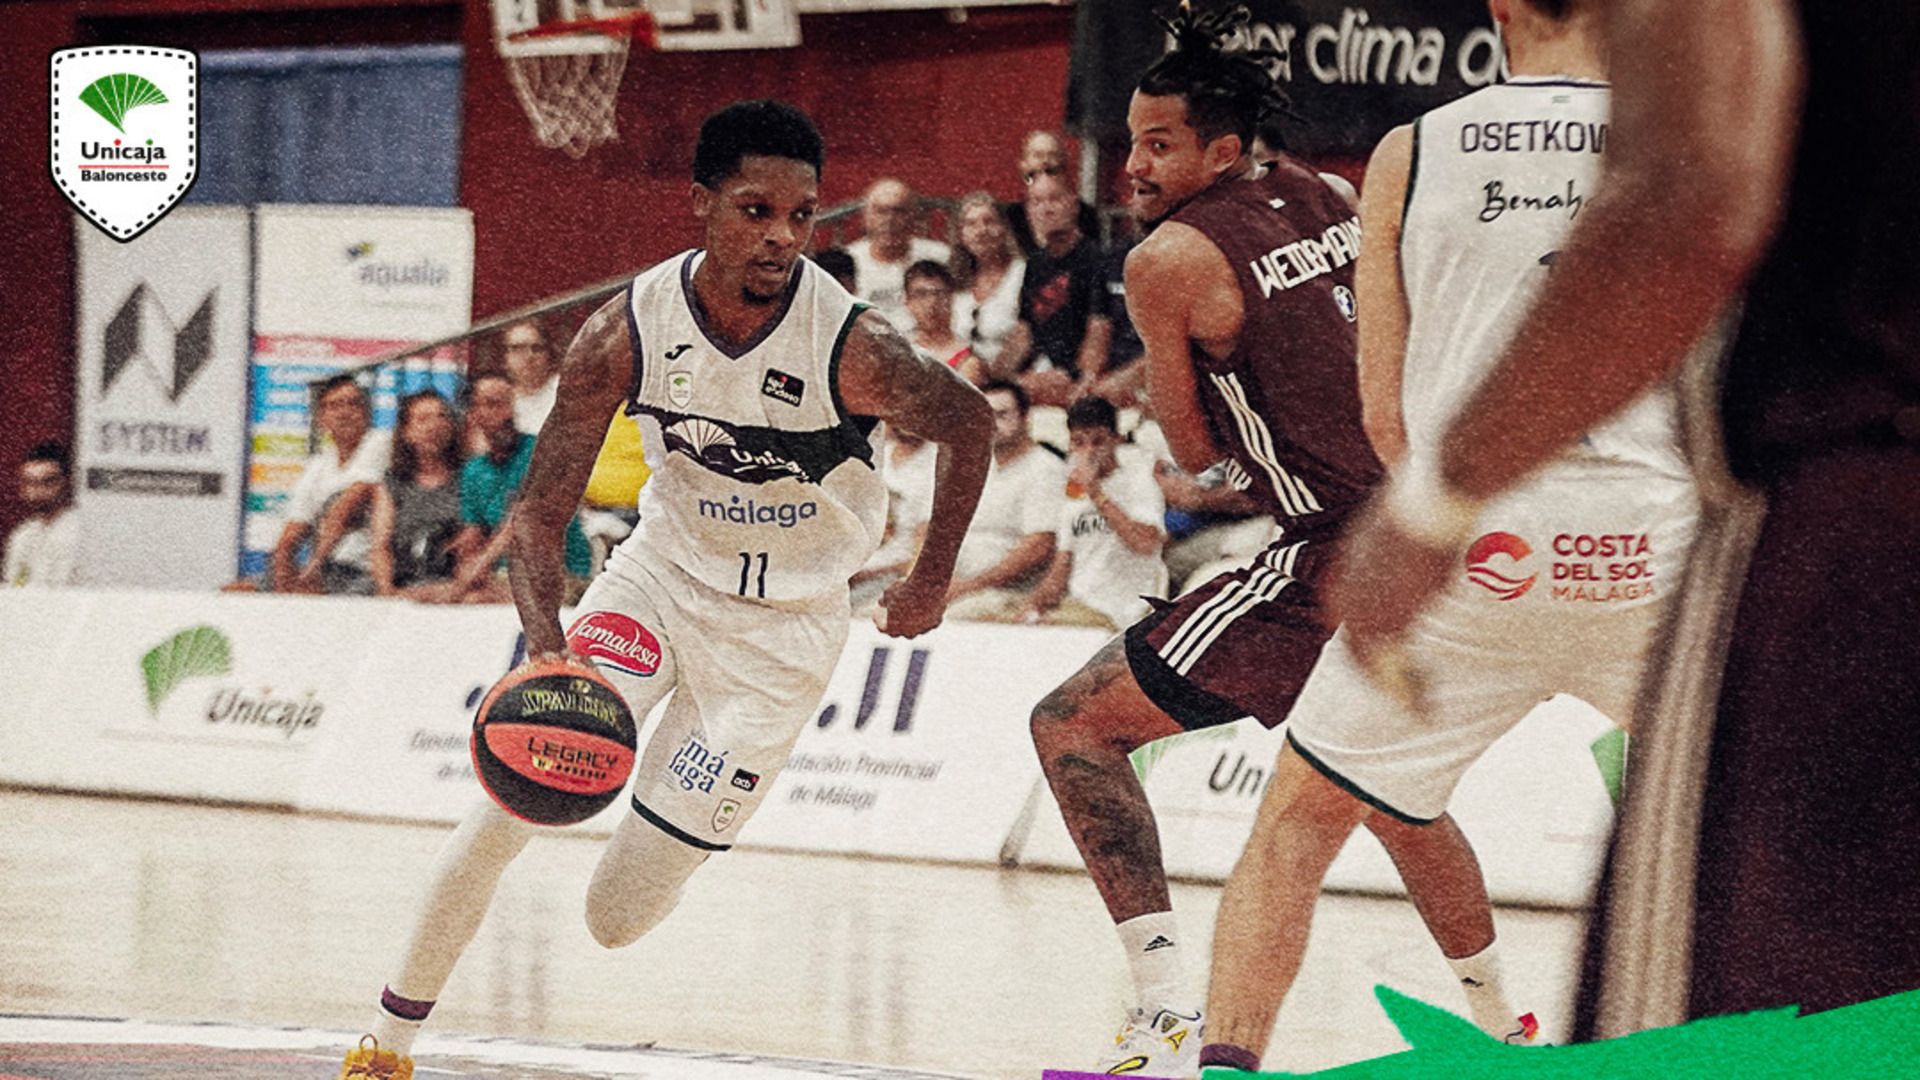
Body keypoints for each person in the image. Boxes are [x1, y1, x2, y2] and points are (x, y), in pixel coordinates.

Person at [337, 99, 992, 1080]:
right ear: (701, 204)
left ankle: (678, 825)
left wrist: (930, 576)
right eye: (756, 210)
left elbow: (971, 423)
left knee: (616, 916)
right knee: (504, 803)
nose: (780, 237)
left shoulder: (850, 345)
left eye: (801, 216)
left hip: (782, 636)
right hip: (659, 581)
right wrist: (545, 646)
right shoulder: (626, 330)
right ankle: (384, 1050)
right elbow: (539, 511)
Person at [1325, 0, 1919, 1042]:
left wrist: (1431, 501)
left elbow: (1692, 198)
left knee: (1720, 1042)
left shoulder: (1415, 152)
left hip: (1853, 522)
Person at [1025, 7, 1552, 1074]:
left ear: (1222, 149)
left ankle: (1163, 1016)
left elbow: (1190, 449)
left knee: (1072, 725)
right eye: (1131, 140)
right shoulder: (1327, 192)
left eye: (1159, 144)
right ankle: (1506, 1030)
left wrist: (1201, 400)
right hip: (1425, 527)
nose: (1133, 166)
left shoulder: (1167, 259)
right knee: (1396, 799)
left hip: (1327, 553)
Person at [1198, 0, 1701, 1063]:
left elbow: (1384, 417)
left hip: (1473, 550)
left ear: (1499, 7)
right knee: (1807, 830)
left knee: (1293, 831)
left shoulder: (1407, 153)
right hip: (1648, 550)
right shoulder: (1689, 136)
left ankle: (1226, 1068)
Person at [441, 373, 593, 605]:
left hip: (561, 575)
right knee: (441, 595)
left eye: (505, 404)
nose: (504, 415)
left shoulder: (541, 452)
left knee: (476, 602)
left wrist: (479, 564)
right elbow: (474, 529)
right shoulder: (474, 470)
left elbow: (520, 521)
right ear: (473, 413)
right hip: (506, 575)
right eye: (491, 404)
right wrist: (462, 559)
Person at [1020, 396, 1166, 631]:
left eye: (1098, 442)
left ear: (1116, 440)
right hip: (1077, 605)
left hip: (1122, 611)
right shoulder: (1072, 494)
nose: (1088, 451)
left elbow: (1145, 544)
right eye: (1079, 442)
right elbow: (1062, 567)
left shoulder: (1139, 482)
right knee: (989, 618)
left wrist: (1096, 493)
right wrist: (1033, 604)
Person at [942, 380, 1065, 621]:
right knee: (878, 613)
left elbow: (1039, 546)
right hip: (955, 583)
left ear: (1026, 418)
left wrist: (969, 586)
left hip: (1004, 591)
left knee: (942, 622)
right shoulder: (973, 466)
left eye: (1002, 415)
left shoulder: (1046, 469)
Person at [256, 374, 390, 596]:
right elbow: (293, 531)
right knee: (235, 592)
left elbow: (348, 505)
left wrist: (312, 568)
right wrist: (282, 579)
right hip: (325, 571)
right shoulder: (318, 465)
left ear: (367, 413)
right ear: (321, 418)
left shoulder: (380, 443)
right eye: (335, 406)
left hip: (362, 571)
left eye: (353, 403)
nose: (344, 412)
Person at [996, 171, 1112, 408]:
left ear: (1073, 205)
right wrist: (993, 381)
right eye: (1036, 202)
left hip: (1075, 378)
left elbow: (1098, 331)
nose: (1046, 209)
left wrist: (1080, 382)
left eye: (1054, 199)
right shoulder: (1035, 264)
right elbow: (1024, 331)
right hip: (1038, 374)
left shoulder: (1095, 258)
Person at [367, 390, 464, 601]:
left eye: (441, 416)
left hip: (454, 588)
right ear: (406, 432)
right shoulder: (393, 482)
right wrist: (387, 591)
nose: (434, 426)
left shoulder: (468, 478)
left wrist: (449, 590)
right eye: (423, 419)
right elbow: (381, 546)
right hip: (402, 587)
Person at [846, 177, 951, 330]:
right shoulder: (850, 260)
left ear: (913, 216)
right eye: (881, 211)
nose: (889, 219)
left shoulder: (938, 256)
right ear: (866, 217)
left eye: (899, 211)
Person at [949, 192, 1026, 373]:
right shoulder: (953, 279)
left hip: (1012, 373)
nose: (981, 231)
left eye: (989, 221)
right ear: (960, 234)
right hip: (960, 374)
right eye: (971, 224)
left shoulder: (1022, 274)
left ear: (1004, 229)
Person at [3, 442, 79, 588]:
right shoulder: (23, 535)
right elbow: (15, 585)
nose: (36, 491)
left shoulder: (80, 532)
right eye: (29, 482)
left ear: (67, 482)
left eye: (47, 482)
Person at [901, 259, 972, 369]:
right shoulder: (901, 353)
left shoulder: (968, 357)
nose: (931, 303)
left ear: (950, 298)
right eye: (921, 294)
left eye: (938, 293)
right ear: (907, 302)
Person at [500, 318, 560, 435]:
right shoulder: (502, 397)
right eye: (518, 348)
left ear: (548, 354)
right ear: (505, 356)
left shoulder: (564, 387)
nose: (529, 356)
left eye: (536, 348)